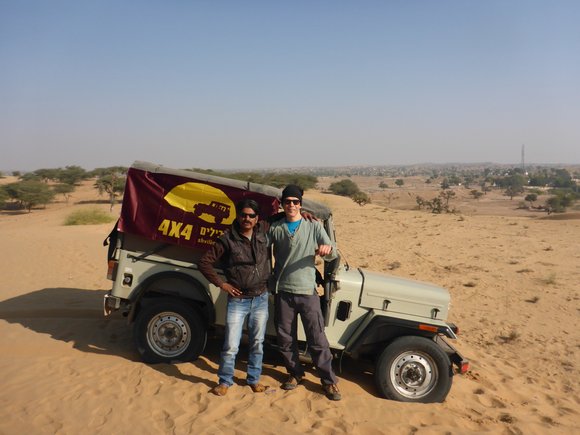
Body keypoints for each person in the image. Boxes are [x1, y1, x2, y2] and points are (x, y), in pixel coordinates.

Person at [268, 184, 342, 401]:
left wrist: (327, 250)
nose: (291, 205)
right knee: (285, 338)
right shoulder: (276, 227)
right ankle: (295, 373)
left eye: (295, 202)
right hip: (283, 291)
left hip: (307, 292)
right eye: (287, 201)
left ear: (301, 204)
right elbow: (261, 247)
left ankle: (329, 381)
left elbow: (332, 253)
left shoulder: (313, 225)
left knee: (317, 338)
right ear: (282, 204)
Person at [199, 198, 270, 396]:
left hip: (261, 298)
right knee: (231, 344)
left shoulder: (263, 230)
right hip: (238, 300)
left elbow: (285, 216)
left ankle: (254, 379)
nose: (247, 219)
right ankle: (225, 381)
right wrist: (222, 284)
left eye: (251, 216)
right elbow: (204, 262)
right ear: (238, 216)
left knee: (257, 343)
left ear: (257, 218)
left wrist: (304, 213)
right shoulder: (227, 238)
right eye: (243, 215)